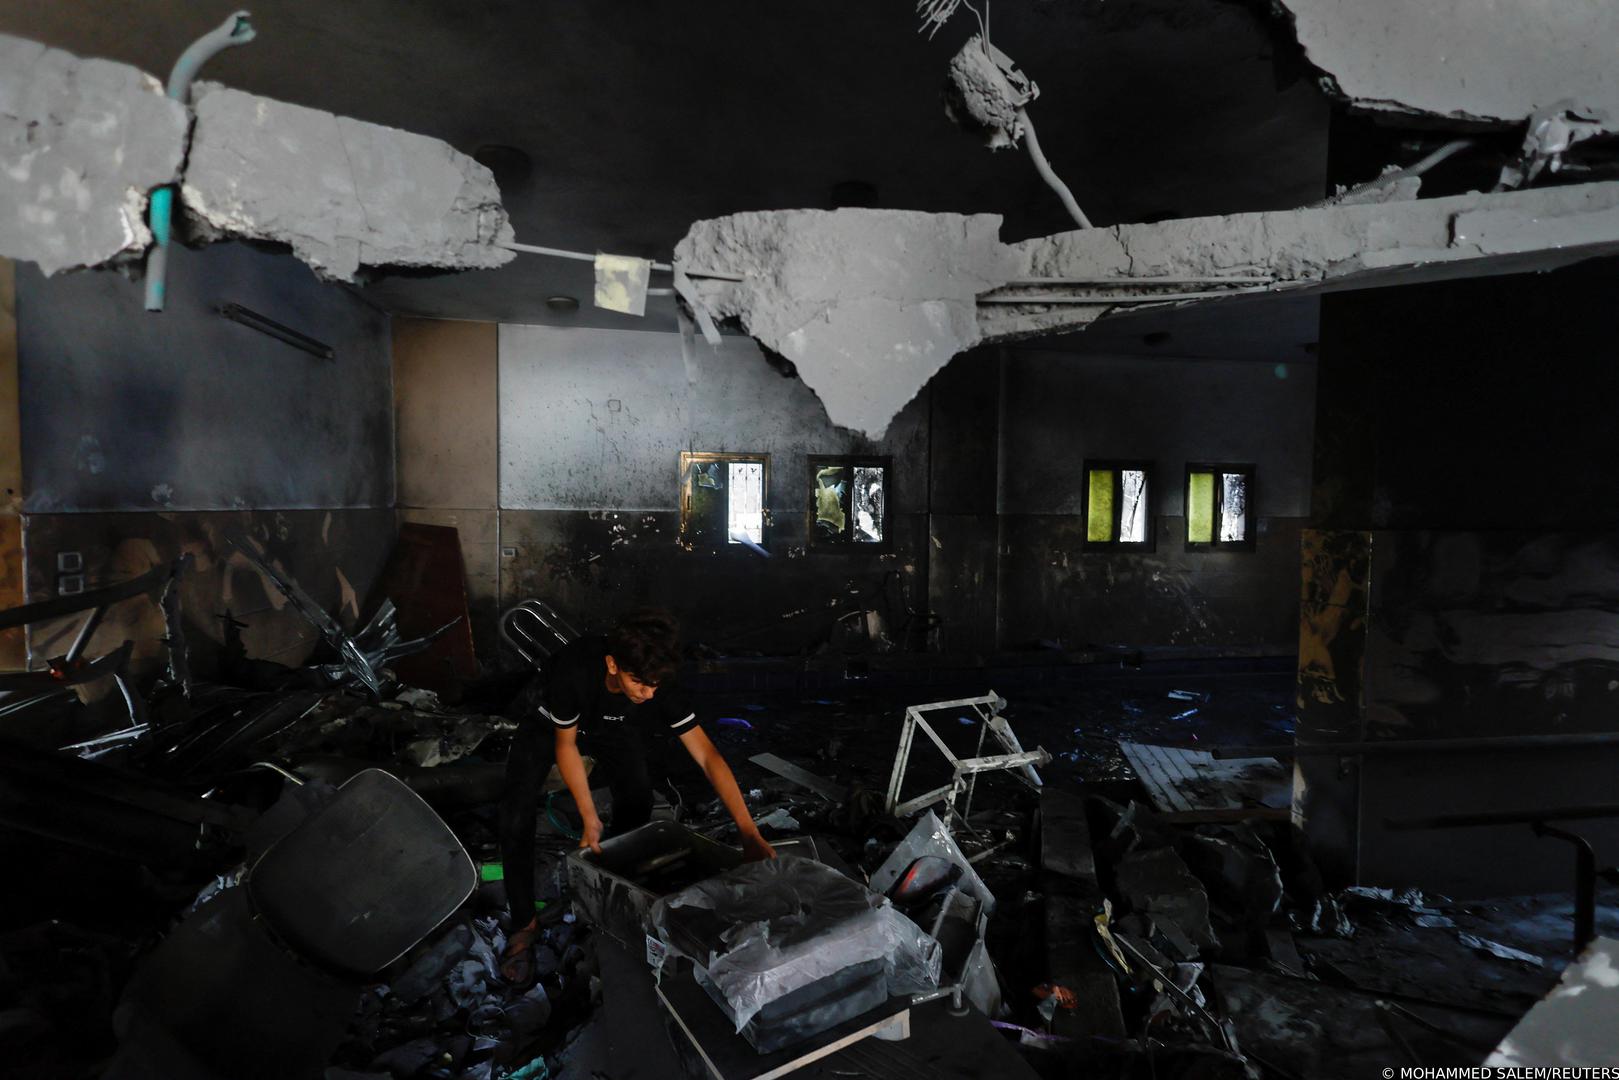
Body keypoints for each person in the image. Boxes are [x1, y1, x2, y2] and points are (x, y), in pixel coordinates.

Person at [498, 609, 775, 982]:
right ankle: (524, 921)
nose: (649, 693)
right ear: (613, 664)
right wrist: (588, 815)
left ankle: (606, 884)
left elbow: (707, 756)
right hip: (549, 722)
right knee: (515, 815)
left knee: (638, 799)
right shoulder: (576, 670)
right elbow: (565, 745)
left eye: (655, 686)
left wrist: (748, 831)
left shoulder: (657, 683)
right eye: (640, 683)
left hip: (611, 722)